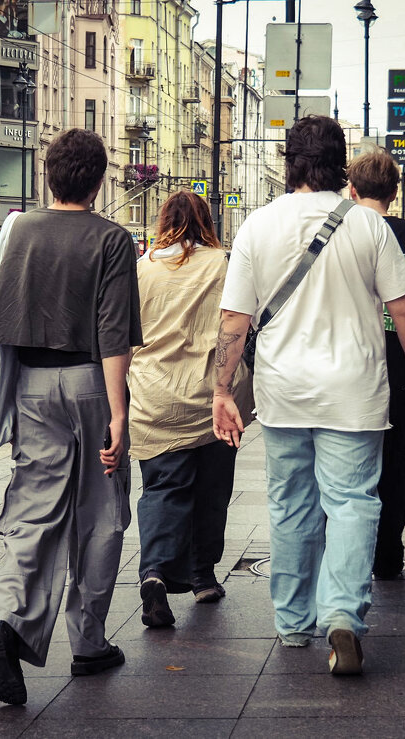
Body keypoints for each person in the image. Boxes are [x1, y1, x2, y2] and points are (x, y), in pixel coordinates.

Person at [211, 116, 405, 676]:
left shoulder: (257, 226)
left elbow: (234, 322)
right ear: (341, 165)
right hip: (354, 393)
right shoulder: (368, 226)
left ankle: (292, 623)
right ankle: (341, 616)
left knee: (290, 506)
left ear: (289, 160)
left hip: (284, 393)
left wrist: (221, 390)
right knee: (353, 504)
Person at [0, 128, 142, 705]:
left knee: (32, 510)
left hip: (31, 385)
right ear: (99, 181)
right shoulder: (112, 239)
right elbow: (114, 334)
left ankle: (6, 621)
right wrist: (118, 417)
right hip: (90, 383)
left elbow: (1, 316)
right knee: (100, 514)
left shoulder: (18, 232)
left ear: (48, 175)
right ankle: (88, 641)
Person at [129, 190, 253, 628]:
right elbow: (239, 323)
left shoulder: (141, 269)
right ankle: (202, 577)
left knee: (163, 489)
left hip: (154, 398)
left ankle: (156, 573)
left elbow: (126, 336)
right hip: (212, 398)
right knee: (212, 490)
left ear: (164, 222)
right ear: (207, 223)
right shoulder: (224, 265)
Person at [347, 149, 405, 579]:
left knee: (345, 468)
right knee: (394, 465)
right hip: (402, 369)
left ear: (351, 187)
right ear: (395, 191)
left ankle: (347, 558)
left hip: (350, 366)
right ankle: (387, 556)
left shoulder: (341, 232)